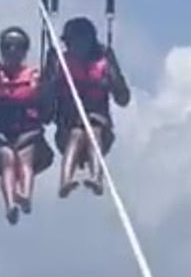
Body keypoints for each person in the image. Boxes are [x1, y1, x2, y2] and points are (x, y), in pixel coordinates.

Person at [0, 26, 53, 225]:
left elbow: (46, 109)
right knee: (8, 160)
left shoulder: (34, 77)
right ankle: (10, 204)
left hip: (27, 132)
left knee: (25, 159)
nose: (12, 51)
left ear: (24, 50)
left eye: (17, 47)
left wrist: (44, 90)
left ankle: (25, 195)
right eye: (7, 46)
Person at [45, 16, 130, 198]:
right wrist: (50, 77)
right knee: (77, 133)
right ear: (68, 42)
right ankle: (66, 180)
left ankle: (96, 177)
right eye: (75, 40)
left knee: (93, 131)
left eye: (84, 40)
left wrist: (113, 76)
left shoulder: (103, 63)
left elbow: (123, 99)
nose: (79, 45)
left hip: (100, 129)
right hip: (67, 130)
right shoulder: (60, 63)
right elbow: (45, 110)